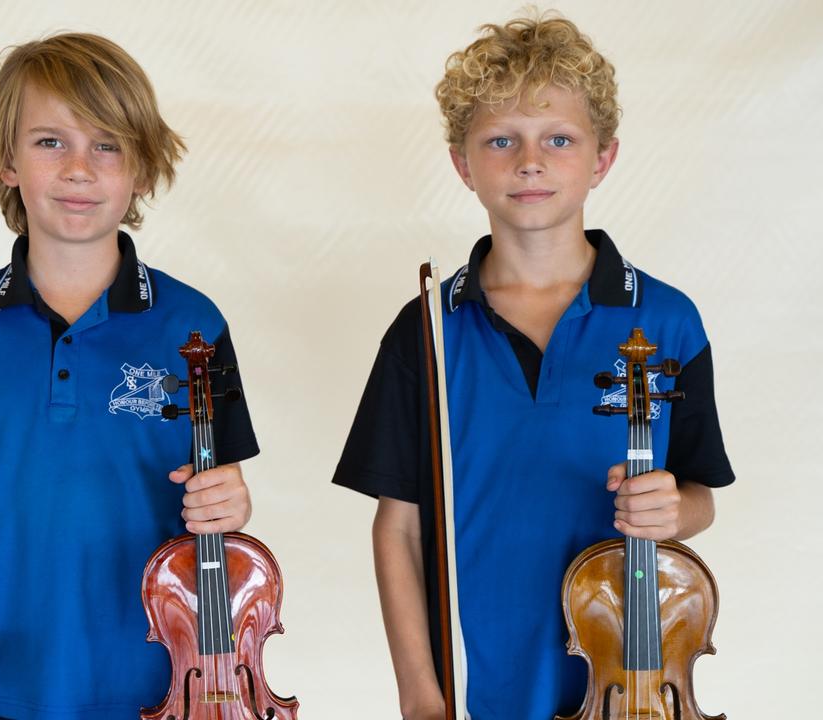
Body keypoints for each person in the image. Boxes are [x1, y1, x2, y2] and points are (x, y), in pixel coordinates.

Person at [332, 14, 734, 720]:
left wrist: (675, 507)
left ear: (602, 158)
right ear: (463, 164)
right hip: (477, 680)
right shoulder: (424, 329)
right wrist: (422, 696)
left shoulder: (669, 321)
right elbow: (397, 528)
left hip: (628, 680)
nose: (530, 161)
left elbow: (700, 494)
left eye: (559, 139)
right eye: (500, 140)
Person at [0, 33, 258, 719]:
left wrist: (232, 505)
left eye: (107, 145)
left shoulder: (193, 325)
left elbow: (217, 501)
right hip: (7, 688)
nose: (80, 168)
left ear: (141, 168)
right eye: (51, 142)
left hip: (168, 691)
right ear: (8, 163)